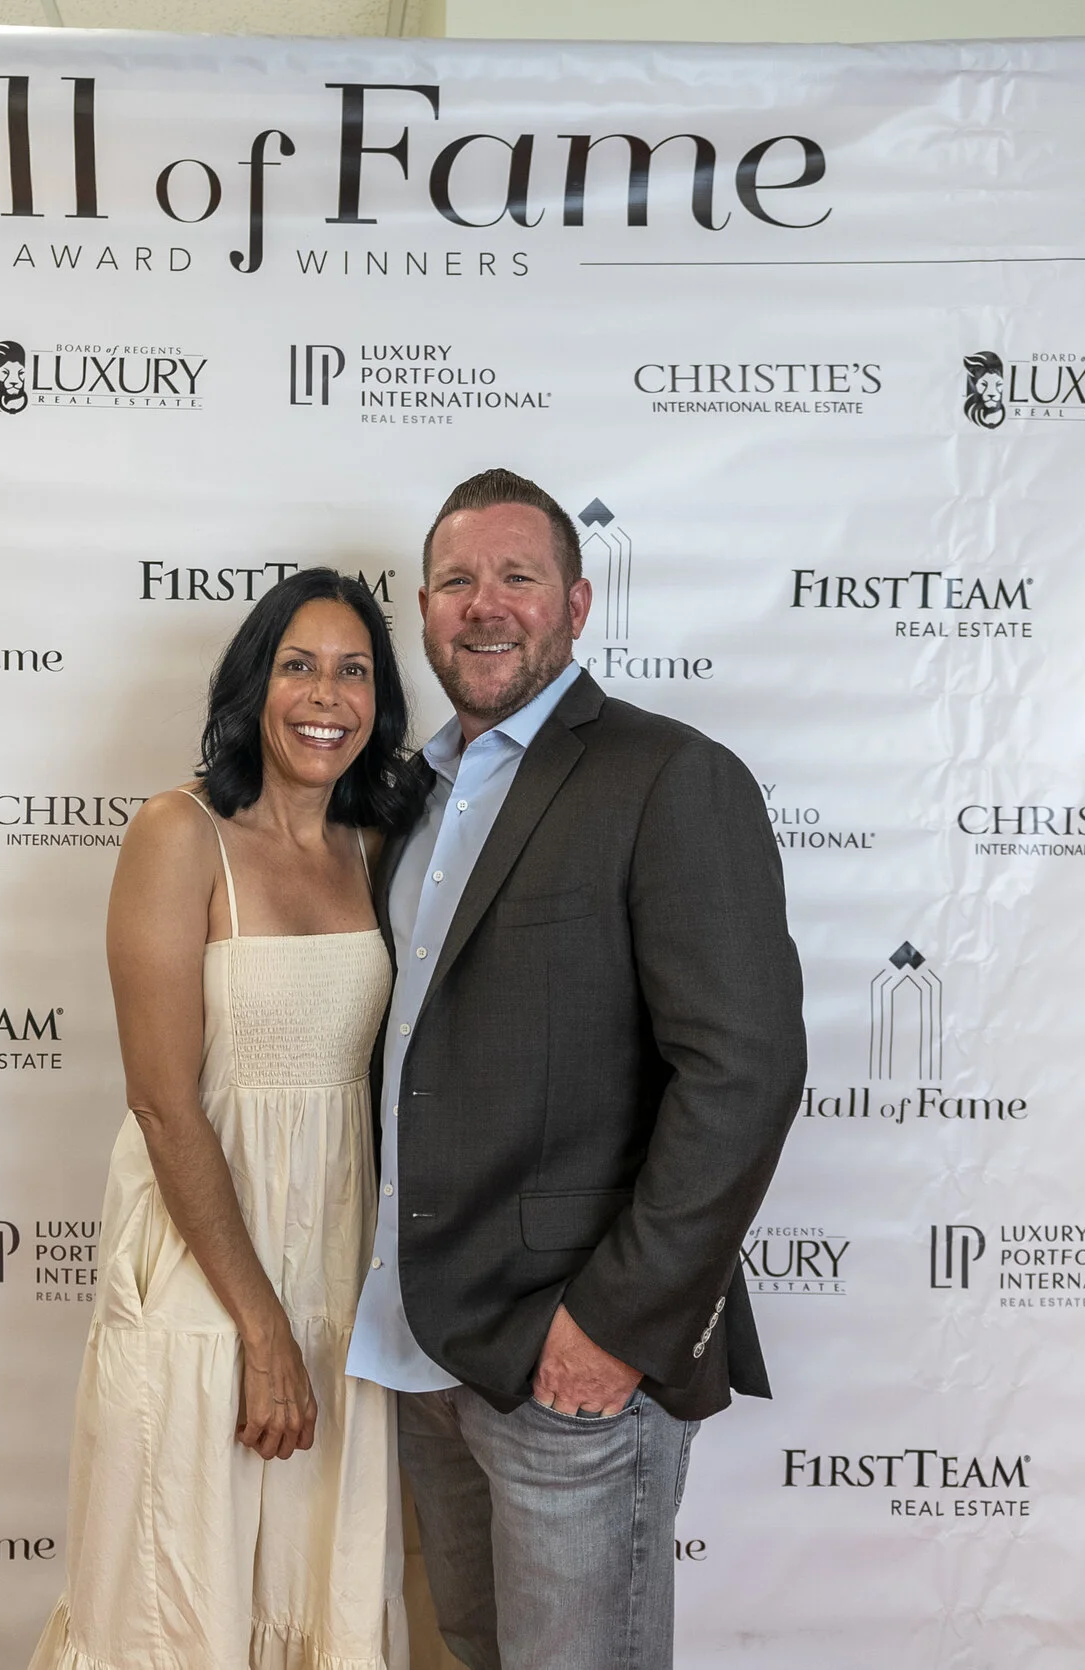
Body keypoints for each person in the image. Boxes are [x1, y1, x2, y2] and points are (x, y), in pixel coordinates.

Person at [349, 468, 805, 1670]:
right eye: (457, 580)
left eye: (517, 577)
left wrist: (611, 1325)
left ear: (578, 602)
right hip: (422, 1348)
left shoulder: (668, 777)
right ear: (422, 604)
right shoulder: (404, 798)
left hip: (574, 1360)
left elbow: (743, 1073)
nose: (484, 604)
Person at [32, 568, 418, 1670]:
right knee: (176, 1603)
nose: (325, 694)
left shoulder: (375, 849)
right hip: (207, 1281)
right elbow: (162, 1103)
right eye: (298, 663)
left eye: (354, 671)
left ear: (379, 705)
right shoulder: (178, 831)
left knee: (315, 1592)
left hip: (339, 1280)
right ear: (254, 682)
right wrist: (261, 1330)